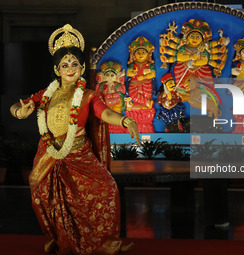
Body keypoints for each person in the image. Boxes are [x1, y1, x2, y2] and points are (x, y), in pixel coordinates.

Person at [9, 24, 140, 255]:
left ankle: (102, 242)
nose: (70, 68)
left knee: (107, 188)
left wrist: (125, 121)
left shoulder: (88, 95)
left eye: (75, 64)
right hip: (49, 153)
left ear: (81, 68)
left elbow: (105, 112)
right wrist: (20, 112)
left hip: (79, 153)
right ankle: (60, 238)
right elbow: (18, 106)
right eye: (65, 65)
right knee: (41, 192)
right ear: (57, 69)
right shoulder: (45, 94)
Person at [125, 36, 156, 133]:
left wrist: (144, 77)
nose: (141, 55)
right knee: (133, 95)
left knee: (146, 94)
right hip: (134, 83)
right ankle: (146, 102)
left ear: (148, 54)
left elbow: (153, 74)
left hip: (146, 83)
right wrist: (132, 73)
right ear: (133, 54)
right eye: (138, 52)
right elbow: (128, 73)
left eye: (143, 52)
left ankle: (144, 104)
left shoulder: (149, 64)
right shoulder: (132, 64)